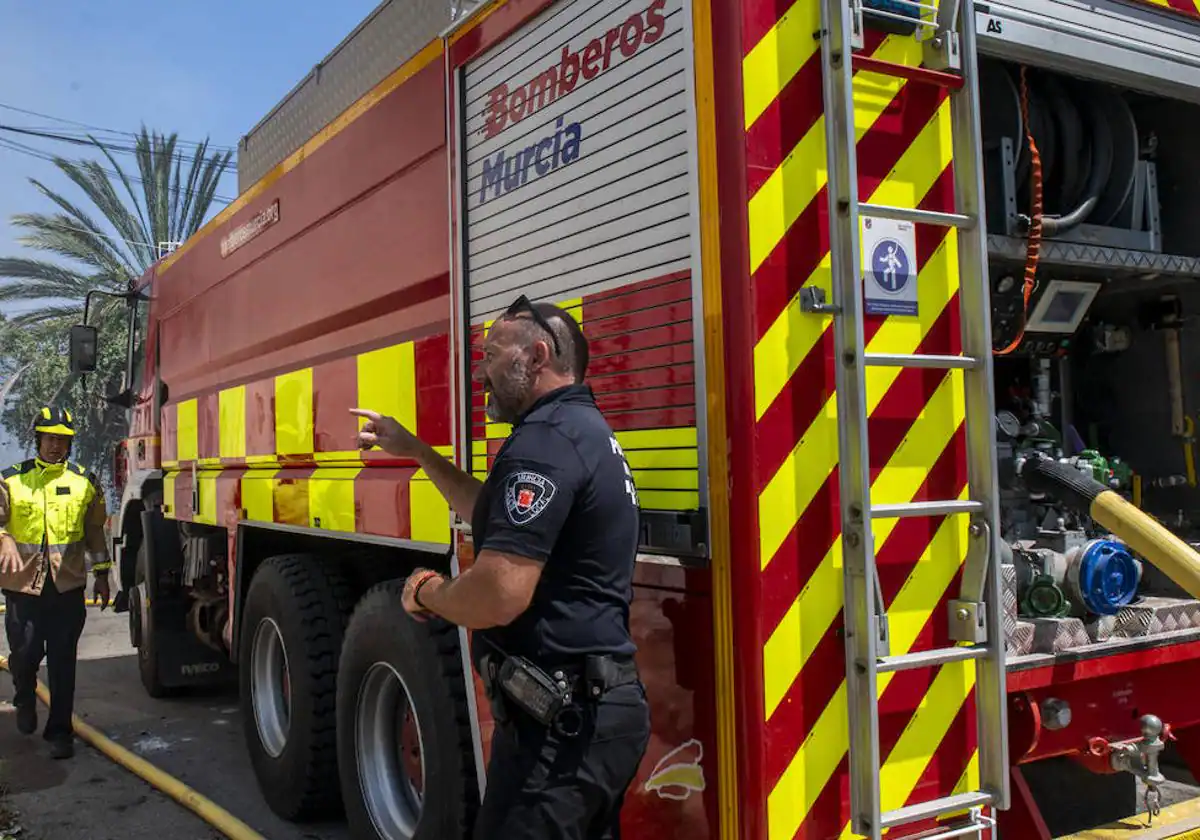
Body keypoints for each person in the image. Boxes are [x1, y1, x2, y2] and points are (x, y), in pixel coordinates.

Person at [351, 294, 651, 839]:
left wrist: (427, 593)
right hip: (590, 719)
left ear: (536, 357)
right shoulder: (580, 432)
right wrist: (416, 449)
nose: (480, 371)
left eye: (491, 354)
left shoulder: (543, 445)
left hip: (561, 733)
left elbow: (498, 593)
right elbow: (490, 511)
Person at [0, 406, 111, 759]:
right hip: (22, 588)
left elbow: (95, 533)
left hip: (67, 589)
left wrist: (104, 575)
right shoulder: (11, 480)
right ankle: (24, 696)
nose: (56, 447)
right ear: (38, 440)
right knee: (24, 654)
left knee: (64, 662)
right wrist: (3, 537)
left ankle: (60, 732)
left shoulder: (84, 483)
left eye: (63, 441)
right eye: (50, 439)